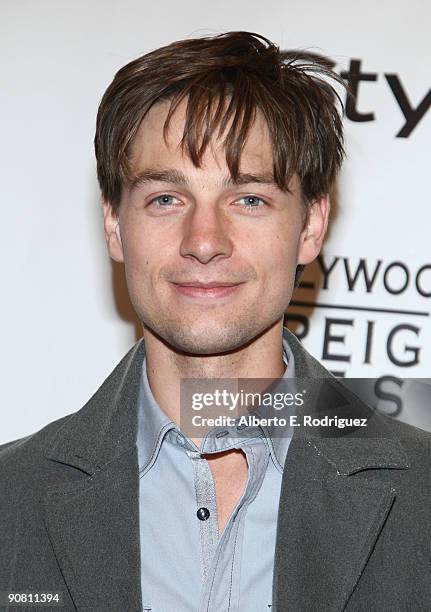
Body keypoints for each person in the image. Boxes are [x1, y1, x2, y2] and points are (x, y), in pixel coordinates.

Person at [1, 31, 430, 612]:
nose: (204, 242)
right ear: (113, 223)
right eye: (166, 199)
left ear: (310, 227)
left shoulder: (421, 494)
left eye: (249, 199)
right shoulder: (11, 500)